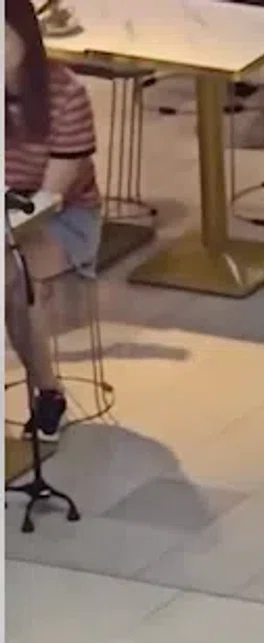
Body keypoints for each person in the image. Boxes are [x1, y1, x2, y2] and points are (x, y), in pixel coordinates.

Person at [5, 0, 102, 442]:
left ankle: (48, 391)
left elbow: (51, 197)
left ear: (25, 37)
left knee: (14, 277)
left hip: (56, 216)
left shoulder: (65, 93)